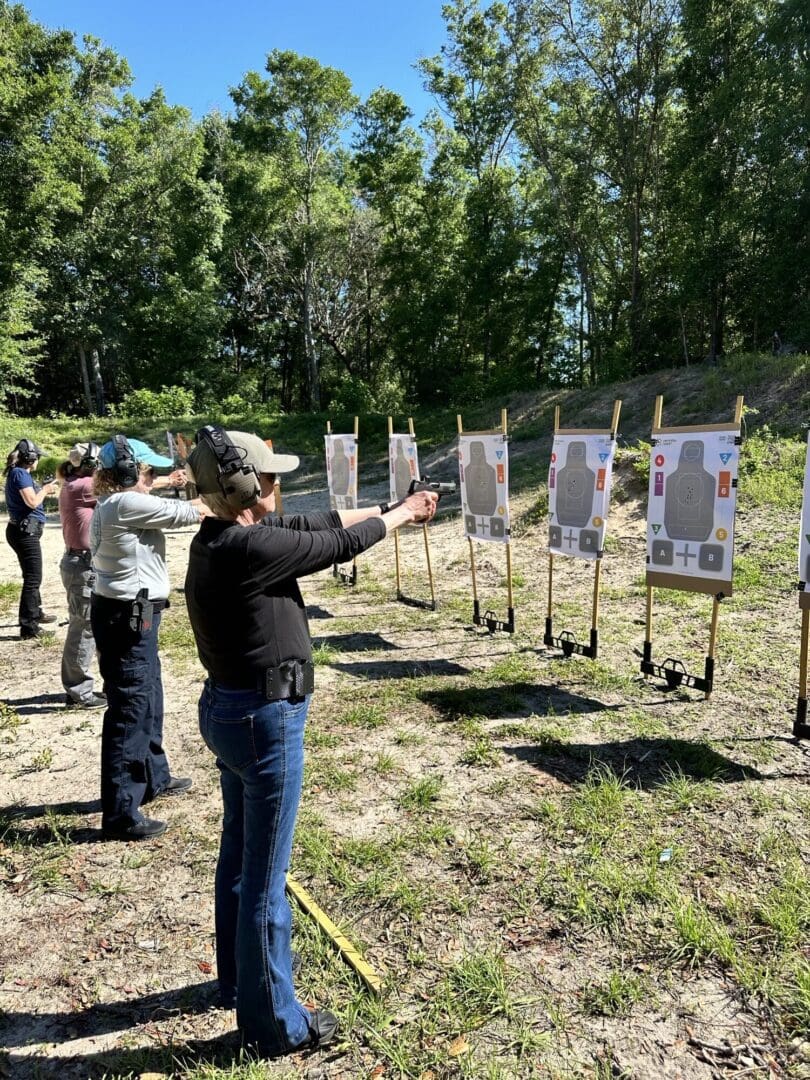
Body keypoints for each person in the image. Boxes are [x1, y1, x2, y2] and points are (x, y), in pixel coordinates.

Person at [184, 427, 438, 1058]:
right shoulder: (248, 548)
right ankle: (274, 1025)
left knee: (240, 855)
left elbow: (317, 521)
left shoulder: (218, 538)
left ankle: (236, 981)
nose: (278, 484)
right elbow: (337, 543)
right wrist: (404, 515)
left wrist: (388, 506)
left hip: (231, 712)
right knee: (267, 877)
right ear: (246, 486)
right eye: (268, 476)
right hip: (264, 720)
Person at [90, 435, 202, 841]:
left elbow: (157, 497)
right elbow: (191, 512)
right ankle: (121, 811)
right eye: (146, 471)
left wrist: (165, 481)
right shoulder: (126, 504)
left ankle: (154, 775)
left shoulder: (115, 502)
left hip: (133, 614)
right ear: (126, 473)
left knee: (148, 695)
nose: (151, 478)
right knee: (130, 709)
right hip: (127, 617)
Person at [57, 442, 106, 708]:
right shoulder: (83, 486)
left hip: (83, 563)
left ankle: (79, 688)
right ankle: (78, 692)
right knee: (83, 627)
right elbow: (124, 491)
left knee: (88, 625)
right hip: (82, 564)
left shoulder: (76, 482)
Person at [4, 439, 58, 639]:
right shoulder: (20, 474)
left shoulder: (19, 473)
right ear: (30, 458)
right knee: (33, 578)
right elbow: (33, 502)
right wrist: (44, 490)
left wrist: (42, 487)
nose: (38, 461)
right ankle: (29, 627)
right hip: (25, 533)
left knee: (31, 575)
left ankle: (36, 612)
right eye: (37, 457)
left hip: (22, 530)